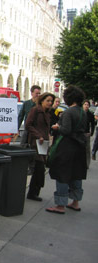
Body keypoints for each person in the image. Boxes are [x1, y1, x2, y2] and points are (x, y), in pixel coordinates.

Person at [46, 85, 87, 214]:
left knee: (62, 174)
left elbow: (66, 130)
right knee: (76, 174)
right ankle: (75, 202)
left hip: (67, 147)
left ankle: (60, 205)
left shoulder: (69, 112)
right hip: (79, 147)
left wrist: (57, 127)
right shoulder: (82, 112)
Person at [25, 92, 55, 201]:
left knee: (40, 168)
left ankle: (34, 192)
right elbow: (28, 125)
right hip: (36, 143)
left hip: (44, 143)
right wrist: (38, 136)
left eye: (51, 101)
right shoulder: (35, 110)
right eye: (48, 100)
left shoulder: (47, 113)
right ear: (42, 100)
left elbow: (45, 127)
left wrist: (48, 134)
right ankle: (33, 193)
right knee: (39, 167)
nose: (50, 103)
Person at [83, 100, 95, 168]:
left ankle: (87, 163)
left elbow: (92, 124)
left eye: (87, 105)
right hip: (80, 133)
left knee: (87, 149)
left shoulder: (90, 114)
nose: (86, 106)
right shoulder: (80, 113)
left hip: (87, 133)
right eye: (85, 104)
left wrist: (91, 132)